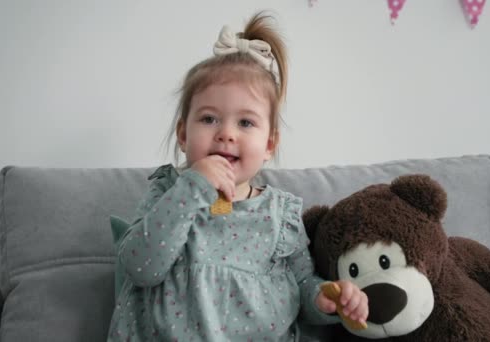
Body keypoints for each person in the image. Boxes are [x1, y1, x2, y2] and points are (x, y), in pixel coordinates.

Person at [107, 11, 368, 341]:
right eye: (209, 119)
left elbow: (302, 287)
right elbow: (140, 268)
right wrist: (191, 189)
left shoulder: (281, 215)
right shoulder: (167, 193)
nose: (226, 134)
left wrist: (325, 298)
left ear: (269, 143)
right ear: (183, 135)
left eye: (245, 123)